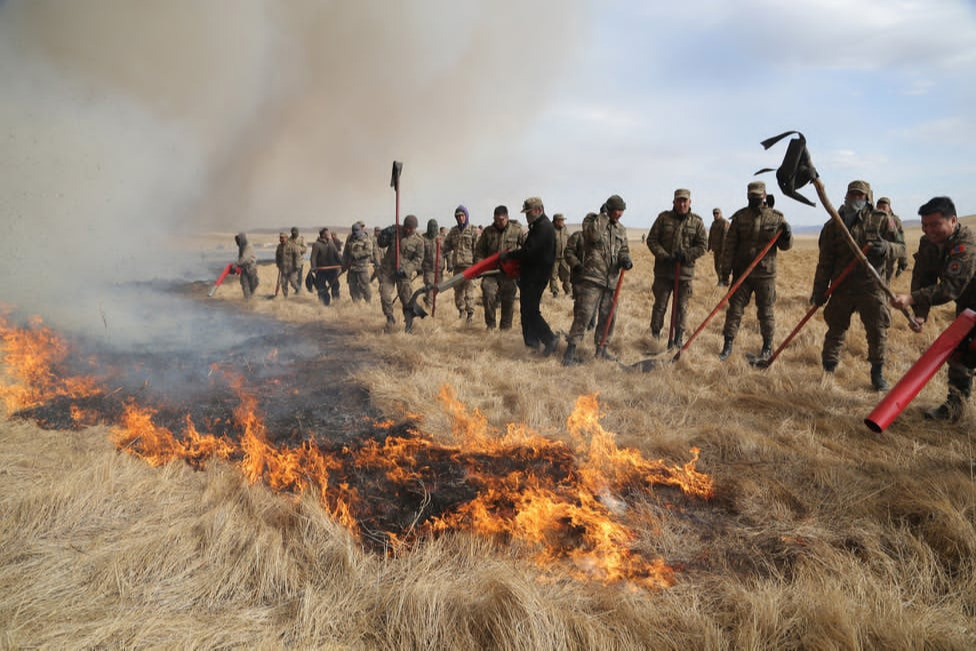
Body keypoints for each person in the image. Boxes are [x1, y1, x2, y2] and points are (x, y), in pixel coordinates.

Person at [811, 180, 902, 390]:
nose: (855, 199)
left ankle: (877, 374)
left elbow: (901, 248)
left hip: (871, 287)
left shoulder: (882, 220)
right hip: (841, 287)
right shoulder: (833, 224)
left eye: (860, 196)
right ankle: (828, 369)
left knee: (877, 331)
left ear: (868, 198)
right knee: (835, 329)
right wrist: (819, 291)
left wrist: (886, 247)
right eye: (852, 195)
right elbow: (825, 262)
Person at [891, 196, 976, 420]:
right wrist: (920, 315)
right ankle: (955, 408)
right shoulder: (928, 242)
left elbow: (950, 288)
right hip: (968, 309)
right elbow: (923, 277)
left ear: (953, 221)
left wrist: (910, 299)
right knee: (959, 356)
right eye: (925, 225)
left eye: (935, 224)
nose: (929, 230)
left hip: (968, 302)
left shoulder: (966, 245)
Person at [718, 181, 794, 361]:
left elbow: (785, 246)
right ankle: (727, 345)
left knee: (766, 312)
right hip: (742, 273)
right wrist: (725, 272)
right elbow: (729, 247)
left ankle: (767, 347)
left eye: (758, 196)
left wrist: (787, 234)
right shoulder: (740, 218)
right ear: (747, 196)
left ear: (765, 196)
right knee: (734, 310)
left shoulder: (776, 218)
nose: (754, 199)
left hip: (765, 275)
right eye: (751, 196)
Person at [563, 195, 632, 366]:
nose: (619, 215)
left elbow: (624, 249)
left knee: (609, 316)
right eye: (616, 211)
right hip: (593, 278)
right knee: (584, 314)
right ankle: (570, 351)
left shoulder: (621, 230)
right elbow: (592, 236)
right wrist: (603, 217)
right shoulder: (592, 221)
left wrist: (625, 259)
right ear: (608, 209)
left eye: (621, 211)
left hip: (612, 280)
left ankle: (601, 349)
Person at [646, 189, 707, 349]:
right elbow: (652, 240)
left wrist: (686, 255)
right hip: (663, 272)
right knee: (660, 305)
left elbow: (703, 246)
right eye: (679, 201)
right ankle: (655, 335)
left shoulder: (697, 222)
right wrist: (664, 256)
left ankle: (678, 339)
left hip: (684, 274)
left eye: (685, 201)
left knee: (681, 308)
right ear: (674, 202)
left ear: (690, 202)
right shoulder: (663, 218)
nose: (682, 204)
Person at [502, 197, 559, 355]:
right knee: (527, 311)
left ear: (539, 210)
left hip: (536, 276)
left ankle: (549, 339)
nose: (527, 216)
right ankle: (532, 345)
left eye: (529, 212)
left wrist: (510, 256)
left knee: (531, 311)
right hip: (531, 276)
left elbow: (529, 252)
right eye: (526, 213)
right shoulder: (538, 226)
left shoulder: (543, 228)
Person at [475, 205, 523, 330]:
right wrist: (480, 266)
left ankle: (506, 328)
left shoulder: (516, 230)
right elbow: (479, 251)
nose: (498, 222)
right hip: (491, 272)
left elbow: (526, 249)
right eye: (496, 220)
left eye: (501, 220)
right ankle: (490, 325)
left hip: (509, 273)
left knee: (508, 298)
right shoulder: (488, 232)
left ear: (507, 217)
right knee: (488, 293)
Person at [378, 214, 425, 333]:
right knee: (384, 295)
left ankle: (409, 325)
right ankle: (390, 318)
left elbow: (418, 259)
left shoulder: (418, 241)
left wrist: (407, 269)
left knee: (407, 300)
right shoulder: (396, 232)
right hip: (389, 271)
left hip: (404, 274)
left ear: (415, 228)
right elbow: (381, 243)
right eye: (407, 227)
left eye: (411, 228)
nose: (408, 230)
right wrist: (384, 234)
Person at [443, 205, 480, 322]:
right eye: (458, 216)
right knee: (458, 291)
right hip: (457, 266)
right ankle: (461, 311)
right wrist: (440, 246)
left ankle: (470, 314)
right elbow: (446, 246)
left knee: (469, 291)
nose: (460, 218)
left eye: (462, 216)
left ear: (466, 216)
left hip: (469, 266)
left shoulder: (473, 230)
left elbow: (478, 249)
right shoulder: (453, 231)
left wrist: (477, 265)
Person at [876, 197, 909, 283]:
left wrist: (903, 262)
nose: (881, 209)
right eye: (879, 207)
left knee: (884, 282)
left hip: (888, 257)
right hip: (874, 256)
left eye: (884, 207)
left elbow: (900, 241)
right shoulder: (872, 219)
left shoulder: (893, 221)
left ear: (889, 208)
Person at [309, 228, 342, 306]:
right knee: (321, 288)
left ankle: (336, 303)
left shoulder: (331, 243)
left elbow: (336, 255)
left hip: (332, 270)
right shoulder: (316, 244)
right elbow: (313, 257)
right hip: (321, 271)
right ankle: (324, 304)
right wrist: (314, 268)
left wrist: (342, 263)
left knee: (335, 286)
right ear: (323, 235)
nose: (329, 235)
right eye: (327, 233)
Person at [342, 222, 374, 303]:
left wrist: (357, 255)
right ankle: (356, 304)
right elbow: (345, 252)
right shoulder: (350, 239)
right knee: (352, 287)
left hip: (362, 268)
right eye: (354, 231)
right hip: (352, 268)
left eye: (357, 230)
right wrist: (344, 264)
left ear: (361, 230)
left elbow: (369, 251)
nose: (355, 233)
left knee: (364, 287)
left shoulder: (366, 239)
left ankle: (368, 302)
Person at [421, 219, 444, 308]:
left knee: (439, 286)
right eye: (431, 226)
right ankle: (429, 306)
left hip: (439, 268)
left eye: (435, 226)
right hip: (428, 268)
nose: (433, 228)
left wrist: (449, 263)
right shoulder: (423, 239)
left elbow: (447, 251)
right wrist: (419, 267)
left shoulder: (441, 238)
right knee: (430, 285)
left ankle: (428, 298)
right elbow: (420, 253)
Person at [550, 213, 571, 298]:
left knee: (567, 275)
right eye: (561, 220)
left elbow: (570, 240)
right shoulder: (550, 230)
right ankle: (555, 292)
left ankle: (568, 292)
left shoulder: (565, 230)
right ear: (556, 221)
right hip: (554, 258)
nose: (562, 222)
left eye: (563, 220)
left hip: (564, 258)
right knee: (553, 276)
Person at [707, 207, 730, 286]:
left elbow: (725, 237)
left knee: (721, 266)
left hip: (723, 249)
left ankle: (723, 281)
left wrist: (724, 249)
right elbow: (710, 236)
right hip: (716, 249)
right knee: (716, 266)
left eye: (717, 213)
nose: (715, 215)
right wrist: (709, 246)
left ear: (720, 214)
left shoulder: (725, 223)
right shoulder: (713, 224)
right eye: (714, 214)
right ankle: (721, 280)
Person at [233, 232, 259, 300]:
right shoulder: (241, 247)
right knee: (245, 286)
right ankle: (247, 300)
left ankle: (250, 299)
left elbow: (244, 259)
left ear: (241, 240)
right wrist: (237, 267)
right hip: (244, 270)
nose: (237, 243)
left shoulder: (248, 246)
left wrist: (236, 264)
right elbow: (240, 258)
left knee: (253, 285)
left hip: (251, 269)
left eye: (238, 241)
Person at [275, 232, 301, 298]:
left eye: (283, 238)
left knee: (293, 282)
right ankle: (285, 297)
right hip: (283, 269)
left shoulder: (292, 245)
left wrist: (297, 266)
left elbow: (297, 255)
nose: (281, 239)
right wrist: (278, 264)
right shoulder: (279, 247)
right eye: (280, 238)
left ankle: (298, 290)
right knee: (283, 283)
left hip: (292, 269)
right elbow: (277, 256)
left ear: (286, 238)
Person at [287, 227, 307, 294]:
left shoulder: (301, 239)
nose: (294, 233)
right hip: (291, 262)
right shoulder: (289, 240)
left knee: (299, 277)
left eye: (295, 232)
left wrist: (298, 249)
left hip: (299, 261)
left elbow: (305, 249)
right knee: (291, 277)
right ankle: (297, 289)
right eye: (293, 232)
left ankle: (298, 291)